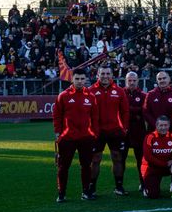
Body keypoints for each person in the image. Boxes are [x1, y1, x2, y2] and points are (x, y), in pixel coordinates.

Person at [54, 68, 98, 203]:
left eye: (82, 79)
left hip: (86, 138)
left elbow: (95, 117)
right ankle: (61, 193)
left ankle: (85, 191)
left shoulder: (91, 96)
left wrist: (94, 134)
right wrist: (58, 134)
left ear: (86, 80)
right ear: (72, 79)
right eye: (77, 79)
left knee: (86, 166)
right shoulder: (63, 95)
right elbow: (57, 116)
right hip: (67, 138)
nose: (79, 81)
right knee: (63, 166)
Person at [89, 64, 130, 196]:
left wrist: (124, 128)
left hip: (115, 131)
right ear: (97, 75)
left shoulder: (119, 91)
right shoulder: (90, 91)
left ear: (112, 75)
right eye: (103, 74)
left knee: (117, 158)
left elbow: (125, 112)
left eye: (108, 74)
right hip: (97, 132)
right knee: (95, 159)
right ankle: (92, 187)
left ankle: (119, 186)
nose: (105, 76)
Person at [141, 115, 172, 199]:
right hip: (152, 168)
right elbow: (148, 157)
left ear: (169, 126)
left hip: (166, 166)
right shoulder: (150, 137)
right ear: (156, 126)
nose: (163, 128)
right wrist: (165, 164)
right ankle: (146, 188)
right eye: (161, 125)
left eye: (165, 125)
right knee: (153, 195)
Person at [122, 71, 147, 189]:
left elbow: (143, 112)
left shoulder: (143, 95)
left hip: (139, 132)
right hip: (122, 133)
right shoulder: (120, 94)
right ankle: (119, 185)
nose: (131, 83)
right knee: (120, 160)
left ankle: (143, 183)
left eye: (134, 80)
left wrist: (128, 110)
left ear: (138, 81)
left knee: (141, 160)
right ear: (125, 81)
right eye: (129, 81)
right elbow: (119, 111)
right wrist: (135, 112)